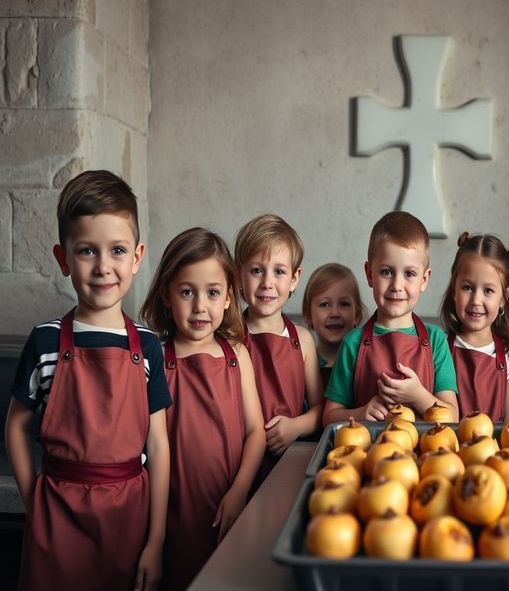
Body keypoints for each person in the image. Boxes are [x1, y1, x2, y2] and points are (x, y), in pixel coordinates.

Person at [5, 170, 170, 591]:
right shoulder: (44, 341)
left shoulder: (148, 346)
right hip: (57, 517)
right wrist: (34, 501)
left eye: (117, 250)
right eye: (87, 251)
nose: (103, 267)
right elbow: (16, 426)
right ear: (63, 259)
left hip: (128, 518)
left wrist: (155, 541)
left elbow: (158, 446)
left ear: (137, 257)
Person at [140, 227, 264, 590]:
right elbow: (151, 447)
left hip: (229, 504)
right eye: (187, 292)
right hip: (173, 511)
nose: (199, 306)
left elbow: (256, 432)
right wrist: (155, 539)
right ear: (166, 295)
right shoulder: (156, 359)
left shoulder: (236, 354)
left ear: (228, 297)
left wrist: (239, 491)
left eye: (212, 292)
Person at [324, 211, 459, 424]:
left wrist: (418, 396)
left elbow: (452, 417)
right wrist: (360, 414)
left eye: (409, 274)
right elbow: (329, 416)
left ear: (424, 279)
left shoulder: (436, 341)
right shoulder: (352, 343)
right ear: (369, 274)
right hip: (368, 446)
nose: (397, 285)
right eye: (386, 272)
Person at [234, 214, 323, 485]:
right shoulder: (229, 338)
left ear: (295, 278)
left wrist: (295, 427)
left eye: (279, 272)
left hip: (290, 459)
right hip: (238, 464)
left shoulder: (303, 340)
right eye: (256, 270)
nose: (267, 283)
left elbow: (321, 410)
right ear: (239, 275)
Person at [440, 232, 509, 421]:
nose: (476, 300)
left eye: (488, 290)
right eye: (467, 288)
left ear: (504, 297)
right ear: (454, 290)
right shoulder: (440, 349)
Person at [301, 263, 366, 389]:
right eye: (325, 304)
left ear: (357, 315)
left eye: (344, 304)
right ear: (308, 315)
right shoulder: (300, 365)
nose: (335, 313)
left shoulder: (365, 362)